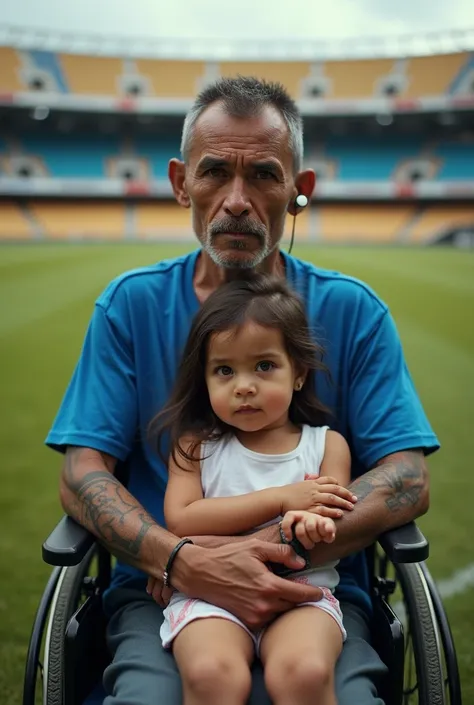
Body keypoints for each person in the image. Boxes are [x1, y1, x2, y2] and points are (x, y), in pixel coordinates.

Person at [46, 75, 439, 705]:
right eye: (213, 174)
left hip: (316, 590)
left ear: (299, 190)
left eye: (262, 174)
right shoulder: (130, 304)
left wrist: (264, 550)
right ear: (181, 184)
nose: (236, 200)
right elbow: (81, 473)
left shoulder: (354, 311)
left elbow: (407, 478)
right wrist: (183, 562)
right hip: (161, 592)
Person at [151, 275, 355, 705]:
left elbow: (333, 516)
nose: (244, 385)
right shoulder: (195, 447)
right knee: (211, 675)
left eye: (264, 366)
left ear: (298, 373)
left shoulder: (325, 446)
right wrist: (282, 501)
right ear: (204, 379)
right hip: (211, 595)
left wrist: (311, 521)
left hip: (299, 594)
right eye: (224, 370)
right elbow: (182, 518)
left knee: (305, 672)